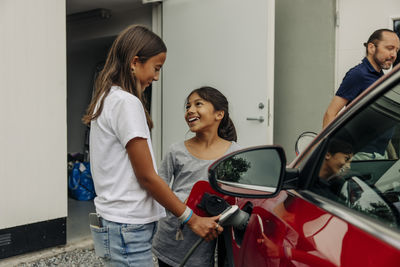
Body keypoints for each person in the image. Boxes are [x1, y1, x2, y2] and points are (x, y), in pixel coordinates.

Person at [82, 25, 222, 266]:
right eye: (156, 68)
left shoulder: (106, 98)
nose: (156, 77)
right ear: (135, 62)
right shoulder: (126, 103)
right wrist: (192, 219)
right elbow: (147, 177)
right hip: (128, 227)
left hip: (114, 221)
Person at [152, 86, 241, 267]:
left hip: (203, 244)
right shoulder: (176, 150)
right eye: (187, 106)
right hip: (171, 237)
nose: (190, 110)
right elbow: (159, 187)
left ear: (219, 115)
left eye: (198, 104)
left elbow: (239, 195)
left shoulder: (234, 154)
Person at [323, 29, 400, 128]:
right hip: (358, 143)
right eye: (390, 48)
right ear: (371, 48)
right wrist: (325, 143)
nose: (394, 55)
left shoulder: (381, 77)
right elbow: (330, 114)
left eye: (396, 50)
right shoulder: (358, 75)